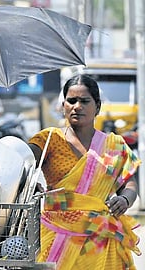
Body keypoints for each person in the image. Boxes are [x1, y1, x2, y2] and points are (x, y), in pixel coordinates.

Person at [28, 74, 141, 269]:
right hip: (57, 239)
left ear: (97, 106)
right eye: (71, 101)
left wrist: (125, 200)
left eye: (84, 101)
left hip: (102, 242)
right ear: (63, 105)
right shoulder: (49, 139)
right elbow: (20, 161)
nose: (76, 106)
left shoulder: (114, 145)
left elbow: (129, 184)